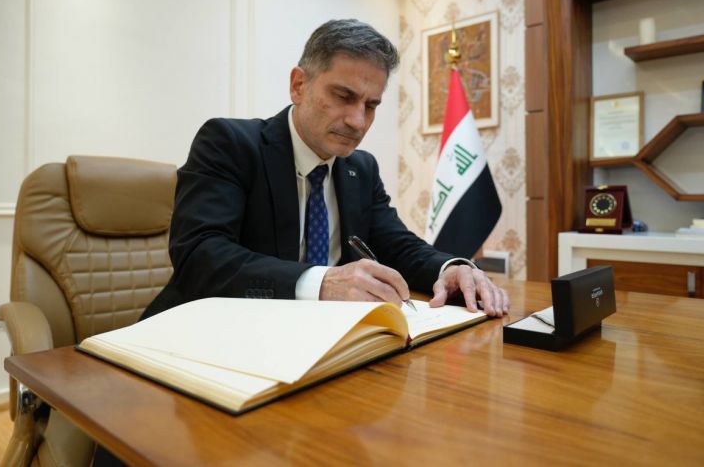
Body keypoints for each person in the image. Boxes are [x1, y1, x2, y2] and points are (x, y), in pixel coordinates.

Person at [142, 18, 509, 320]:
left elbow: (397, 245)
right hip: (201, 337)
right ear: (298, 85)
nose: (358, 121)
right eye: (344, 96)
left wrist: (451, 269)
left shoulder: (360, 168)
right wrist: (322, 283)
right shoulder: (230, 143)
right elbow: (200, 256)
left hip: (318, 341)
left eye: (371, 105)